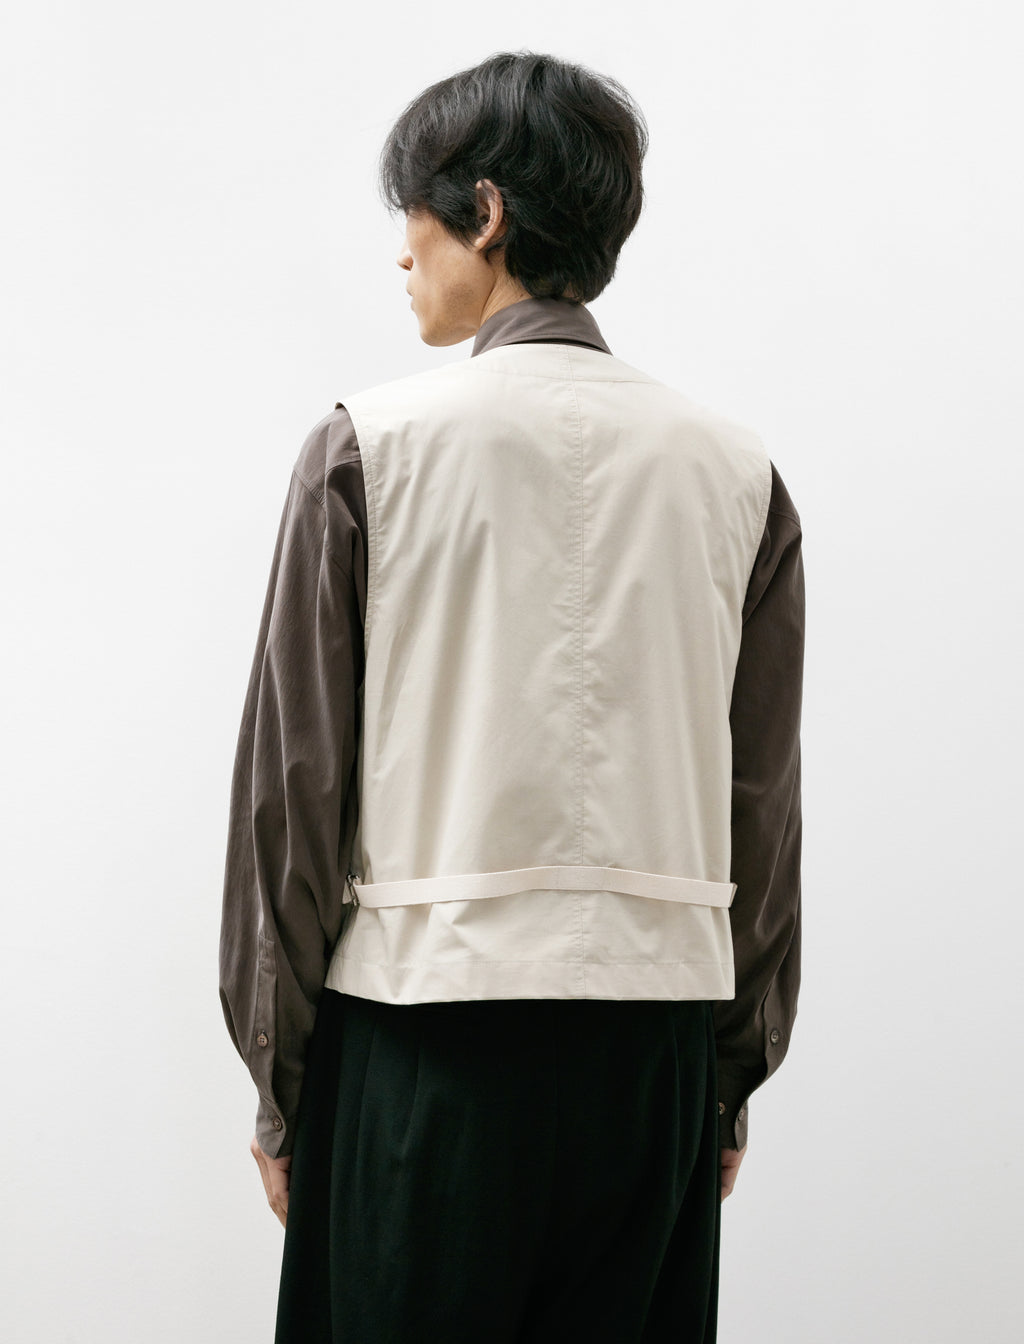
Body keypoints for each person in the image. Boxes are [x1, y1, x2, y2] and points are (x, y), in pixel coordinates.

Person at [219, 49, 804, 1343]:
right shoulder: (740, 476)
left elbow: (292, 801)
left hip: (421, 1055)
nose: (403, 251)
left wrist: (280, 1083)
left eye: (414, 215)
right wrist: (726, 1082)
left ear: (483, 213)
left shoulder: (363, 451)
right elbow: (762, 811)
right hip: (653, 1056)